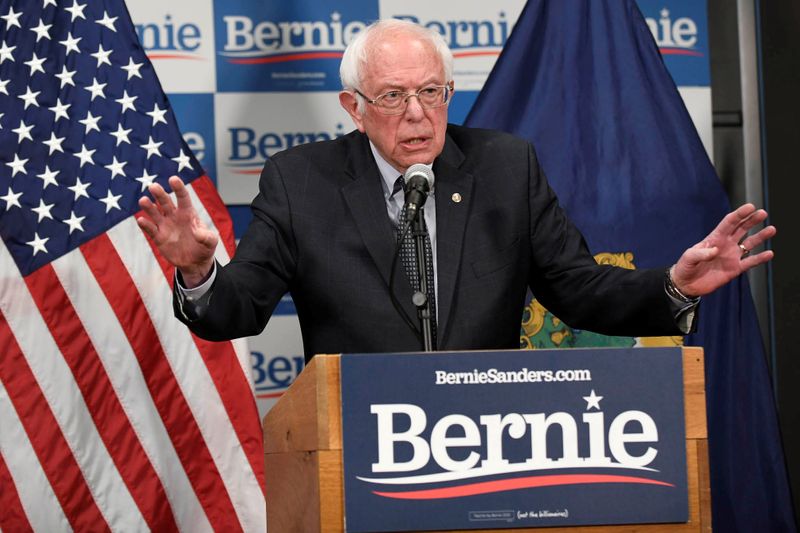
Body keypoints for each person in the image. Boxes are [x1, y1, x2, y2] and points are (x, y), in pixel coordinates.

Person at [137, 19, 775, 360]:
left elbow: (580, 289)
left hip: (483, 441)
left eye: (432, 93)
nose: (417, 113)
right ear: (353, 108)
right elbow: (238, 310)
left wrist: (674, 285)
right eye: (393, 96)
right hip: (360, 448)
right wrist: (198, 269)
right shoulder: (301, 181)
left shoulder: (505, 167)